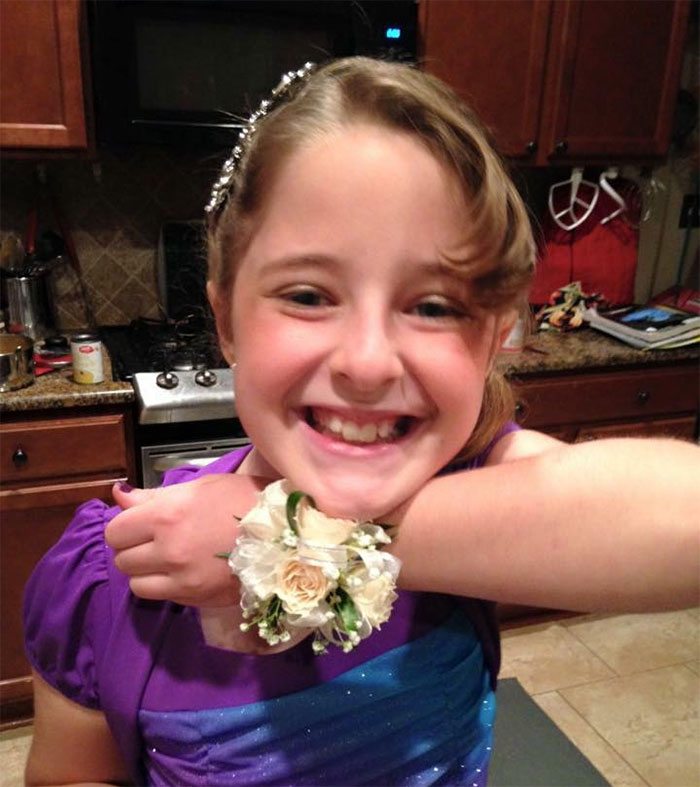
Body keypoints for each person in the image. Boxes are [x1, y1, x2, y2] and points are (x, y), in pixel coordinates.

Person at [24, 58, 699, 787]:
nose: (370, 363)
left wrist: (289, 539)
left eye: (434, 306)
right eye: (309, 294)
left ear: (489, 339)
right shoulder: (116, 569)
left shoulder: (482, 490)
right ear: (226, 322)